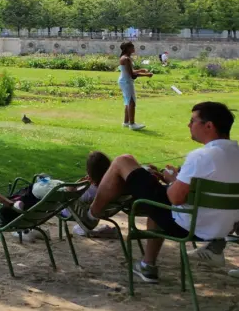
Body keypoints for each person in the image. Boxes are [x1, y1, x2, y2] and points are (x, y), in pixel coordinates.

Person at [91, 102, 239, 284]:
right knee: (154, 192)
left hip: (188, 226)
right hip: (223, 229)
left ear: (209, 126)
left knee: (124, 160)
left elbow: (174, 198)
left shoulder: (200, 156)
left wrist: (171, 180)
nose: (188, 125)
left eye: (193, 121)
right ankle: (147, 265)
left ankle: (92, 214)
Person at [119, 41, 152, 130]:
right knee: (131, 102)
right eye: (132, 47)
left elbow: (130, 71)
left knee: (127, 102)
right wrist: (147, 75)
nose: (134, 49)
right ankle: (132, 124)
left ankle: (126, 122)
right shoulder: (126, 59)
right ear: (128, 48)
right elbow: (131, 74)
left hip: (124, 80)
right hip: (126, 81)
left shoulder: (125, 58)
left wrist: (140, 70)